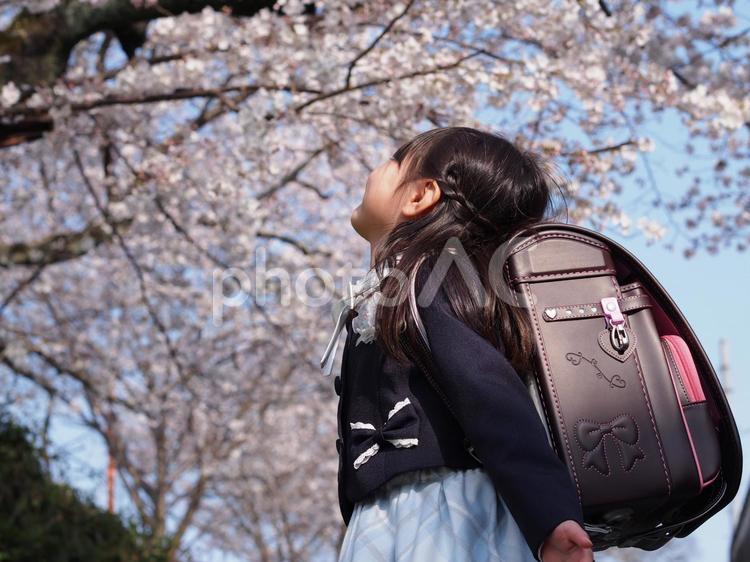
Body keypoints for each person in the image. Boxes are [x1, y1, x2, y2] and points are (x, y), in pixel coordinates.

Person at [321, 127, 594, 562]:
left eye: (393, 160)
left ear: (419, 196)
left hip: (442, 512)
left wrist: (550, 513)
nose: (375, 168)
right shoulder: (403, 284)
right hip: (396, 510)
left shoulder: (427, 279)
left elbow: (489, 390)